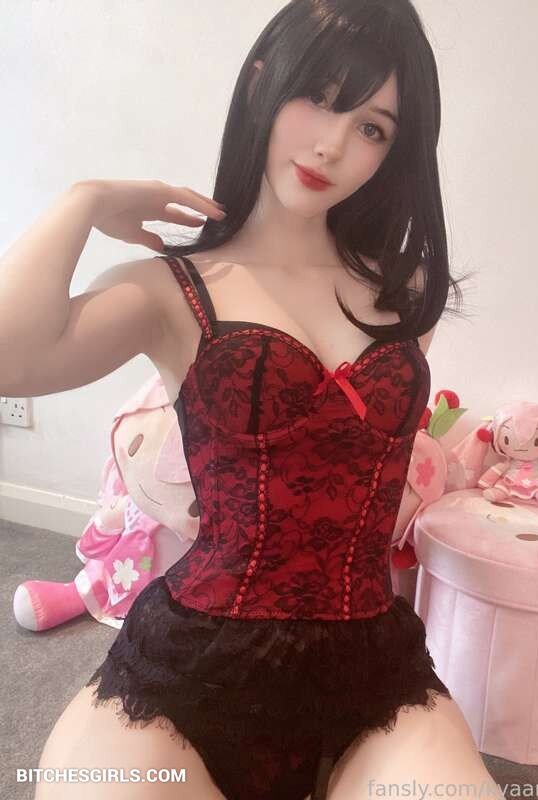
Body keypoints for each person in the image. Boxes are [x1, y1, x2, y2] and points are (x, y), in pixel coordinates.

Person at [1, 1, 502, 798]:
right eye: (320, 97)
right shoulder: (170, 290)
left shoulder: (408, 292)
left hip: (371, 671)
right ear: (264, 82)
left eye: (372, 127)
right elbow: (12, 360)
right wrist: (85, 200)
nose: (332, 144)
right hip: (192, 667)